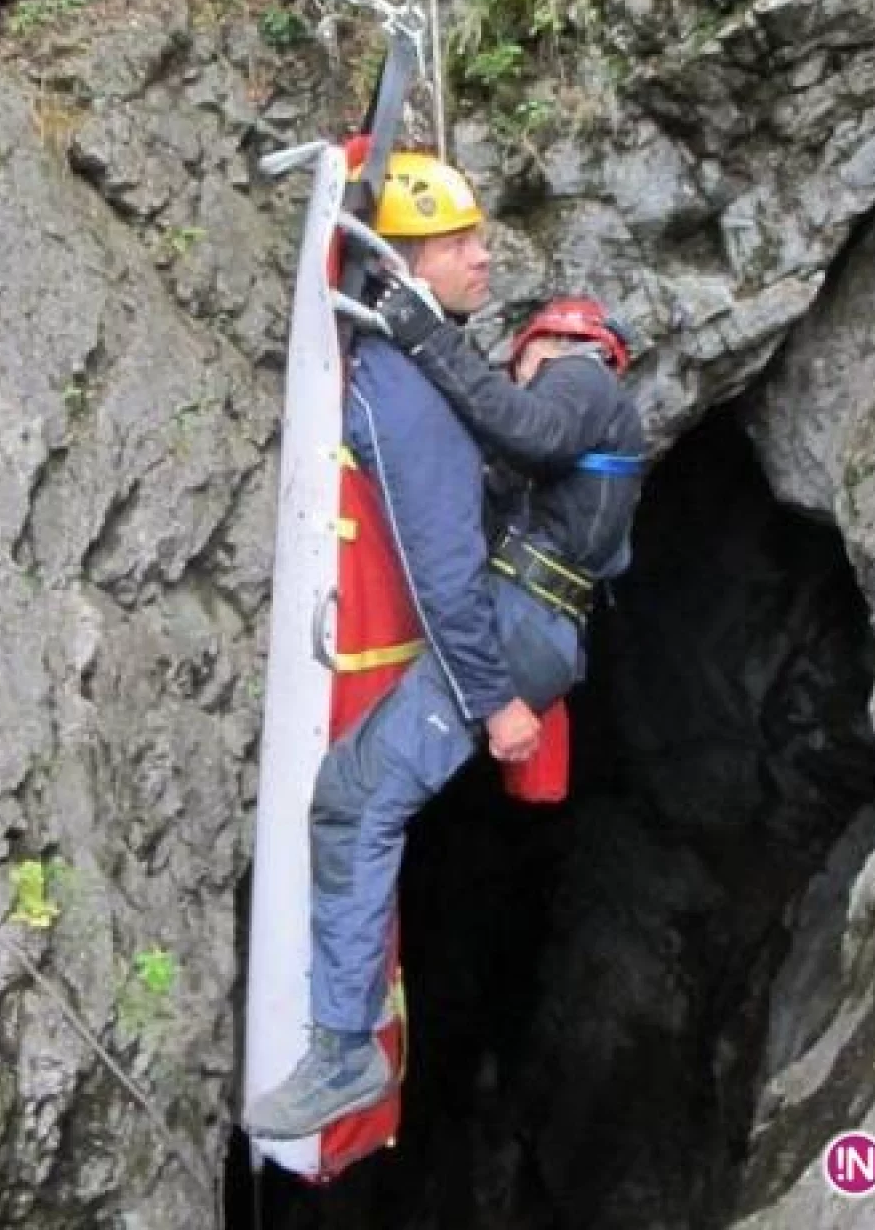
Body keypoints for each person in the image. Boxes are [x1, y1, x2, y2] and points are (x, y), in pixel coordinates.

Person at [248, 152, 645, 1141]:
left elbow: (473, 508)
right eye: (463, 241)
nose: (486, 258)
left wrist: (494, 696)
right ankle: (356, 1022)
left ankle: (344, 1051)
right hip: (533, 626)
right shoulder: (576, 399)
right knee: (366, 799)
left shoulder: (579, 384)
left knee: (352, 804)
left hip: (515, 633)